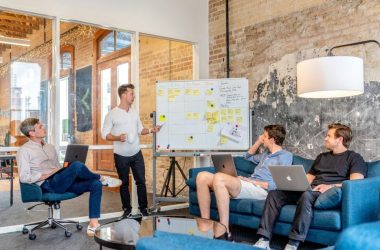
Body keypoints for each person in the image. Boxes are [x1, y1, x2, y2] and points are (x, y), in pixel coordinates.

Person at [254, 123, 367, 250]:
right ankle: (263, 239)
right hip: (310, 190)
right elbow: (307, 179)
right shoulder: (321, 157)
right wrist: (293, 183)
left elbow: (356, 183)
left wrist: (330, 186)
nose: (325, 138)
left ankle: (292, 244)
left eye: (328, 136)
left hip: (326, 193)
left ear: (339, 139)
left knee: (306, 195)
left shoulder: (354, 158)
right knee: (275, 194)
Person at [17, 118, 122, 236]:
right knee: (77, 166)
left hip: (59, 180)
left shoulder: (49, 147)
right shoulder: (24, 151)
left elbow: (56, 167)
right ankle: (101, 178)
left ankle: (93, 223)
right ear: (32, 133)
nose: (44, 128)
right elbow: (24, 177)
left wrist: (64, 169)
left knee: (95, 184)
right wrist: (47, 174)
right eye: (40, 127)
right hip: (47, 184)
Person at [196, 125, 293, 239]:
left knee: (219, 177)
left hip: (262, 190)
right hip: (249, 185)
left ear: (272, 139)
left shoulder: (285, 156)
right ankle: (206, 224)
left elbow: (279, 184)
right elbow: (246, 157)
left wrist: (253, 181)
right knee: (201, 176)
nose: (262, 137)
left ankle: (225, 230)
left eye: (264, 136)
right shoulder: (265, 155)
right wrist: (258, 142)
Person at [102, 83, 161, 219]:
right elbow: (104, 134)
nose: (133, 96)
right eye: (131, 94)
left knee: (141, 181)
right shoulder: (112, 114)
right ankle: (127, 210)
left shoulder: (134, 112)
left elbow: (140, 130)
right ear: (123, 95)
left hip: (136, 153)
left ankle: (144, 209)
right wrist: (117, 137)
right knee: (124, 183)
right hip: (121, 155)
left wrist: (151, 129)